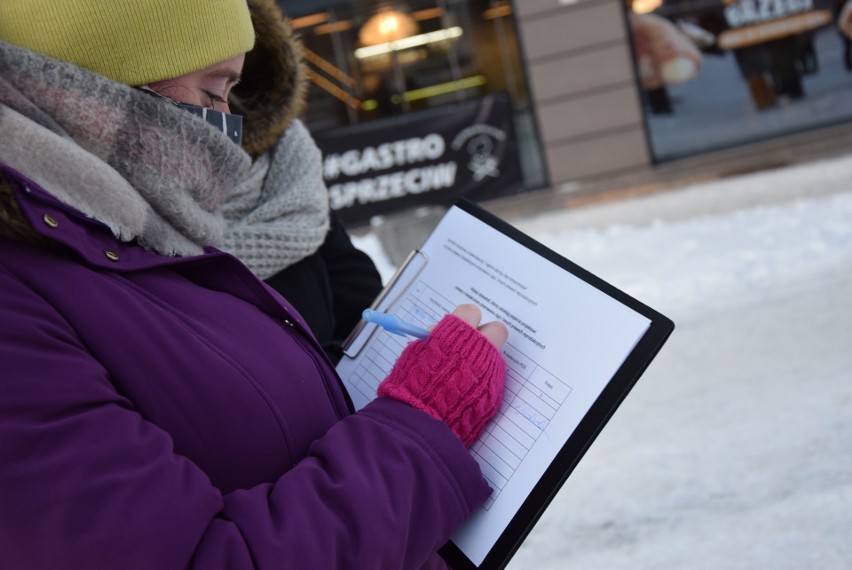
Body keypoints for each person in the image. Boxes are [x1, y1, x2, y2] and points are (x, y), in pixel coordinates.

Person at [0, 1, 508, 569]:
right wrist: (419, 431)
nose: (227, 133)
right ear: (95, 85)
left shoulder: (132, 225)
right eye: (214, 91)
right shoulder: (23, 302)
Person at [218, 0, 383, 361]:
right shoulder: (125, 216)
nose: (221, 109)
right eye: (208, 88)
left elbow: (352, 280)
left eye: (230, 82)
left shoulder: (285, 158)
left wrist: (350, 366)